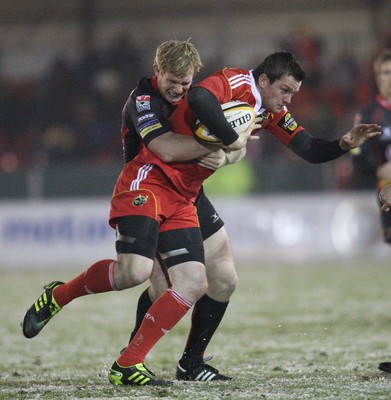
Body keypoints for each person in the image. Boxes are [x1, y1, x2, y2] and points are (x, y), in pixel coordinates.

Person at [123, 50, 380, 378]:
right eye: (284, 90)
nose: (287, 101)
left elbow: (310, 149)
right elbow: (200, 96)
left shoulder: (270, 111)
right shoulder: (236, 82)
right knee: (161, 286)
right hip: (161, 183)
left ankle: (191, 364)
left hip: (191, 192)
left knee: (225, 280)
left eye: (293, 94)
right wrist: (232, 141)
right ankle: (131, 355)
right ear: (263, 80)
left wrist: (343, 144)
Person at [21, 39, 258, 386]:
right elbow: (166, 149)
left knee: (193, 282)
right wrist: (218, 143)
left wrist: (229, 144)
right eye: (172, 80)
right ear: (157, 70)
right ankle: (58, 295)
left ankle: (133, 363)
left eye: (186, 82)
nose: (178, 89)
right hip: (145, 185)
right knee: (136, 273)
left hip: (184, 195)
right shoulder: (142, 99)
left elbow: (236, 141)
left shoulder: (201, 98)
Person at [349, 49, 391, 373]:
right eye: (384, 73)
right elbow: (358, 161)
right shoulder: (369, 113)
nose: (388, 79)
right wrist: (382, 177)